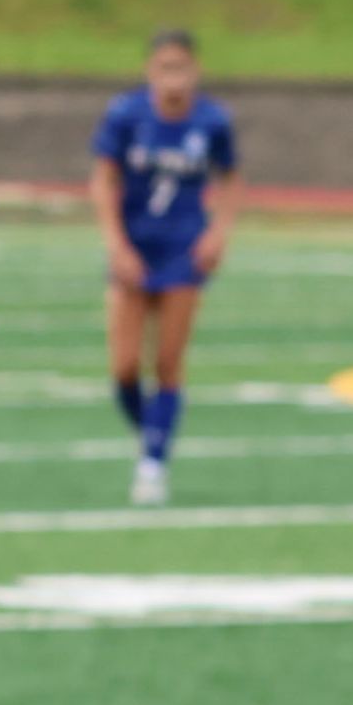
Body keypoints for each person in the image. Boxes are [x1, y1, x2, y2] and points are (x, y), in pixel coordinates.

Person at [89, 30, 240, 508]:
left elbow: (230, 177)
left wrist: (217, 233)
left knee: (168, 363)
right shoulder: (126, 114)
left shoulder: (212, 120)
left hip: (183, 251)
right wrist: (116, 245)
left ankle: (153, 463)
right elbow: (103, 180)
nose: (174, 78)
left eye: (182, 67)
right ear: (150, 71)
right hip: (134, 249)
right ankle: (153, 434)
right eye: (165, 68)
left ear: (196, 71)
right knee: (124, 367)